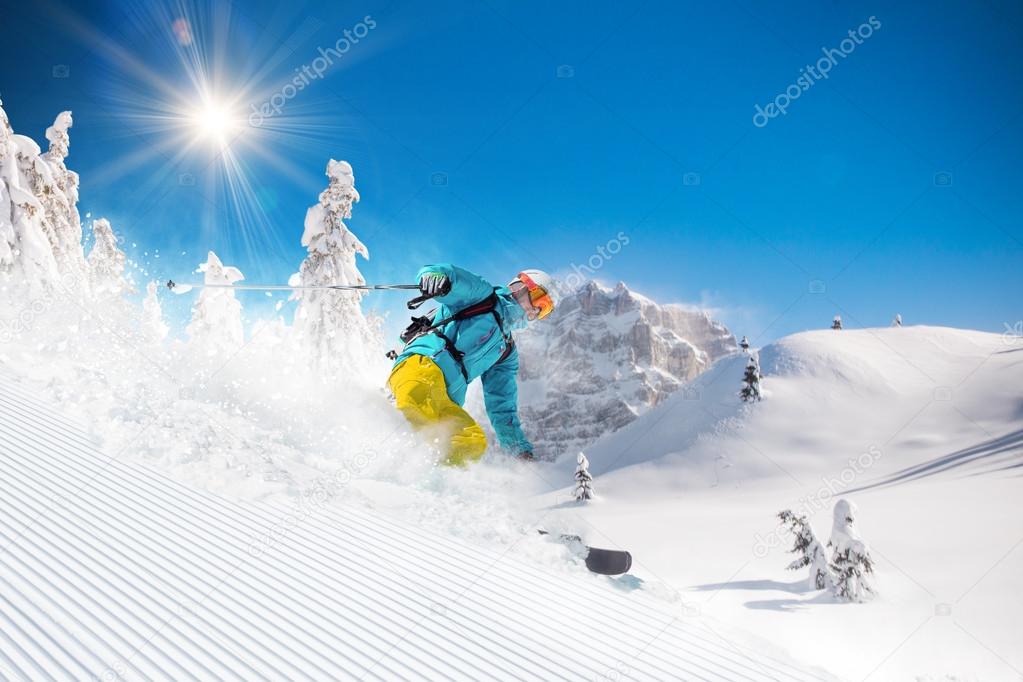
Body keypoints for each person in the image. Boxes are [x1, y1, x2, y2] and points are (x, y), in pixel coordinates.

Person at [387, 264, 556, 466]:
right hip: (422, 366)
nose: (536, 310)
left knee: (470, 444)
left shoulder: (505, 351)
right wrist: (436, 278)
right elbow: (455, 278)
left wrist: (518, 450)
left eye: (544, 309)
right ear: (519, 287)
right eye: (539, 299)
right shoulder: (482, 296)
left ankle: (424, 488)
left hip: (446, 397)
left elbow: (501, 406)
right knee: (421, 412)